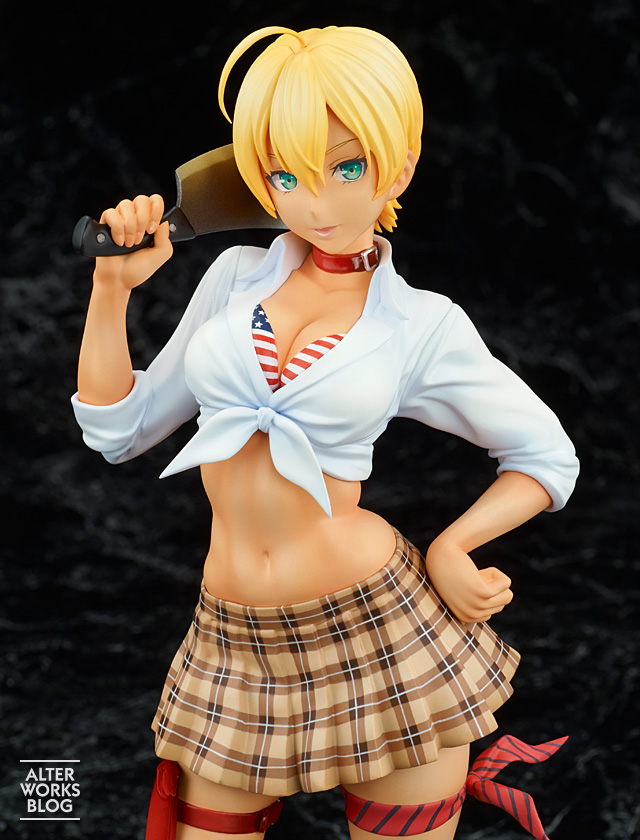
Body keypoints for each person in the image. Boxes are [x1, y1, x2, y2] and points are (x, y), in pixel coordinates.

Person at [71, 25, 579, 840]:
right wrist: (111, 291)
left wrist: (453, 547)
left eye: (346, 168)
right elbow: (118, 430)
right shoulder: (234, 279)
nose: (315, 203)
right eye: (285, 174)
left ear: (397, 168)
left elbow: (546, 454)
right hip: (234, 635)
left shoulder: (421, 324)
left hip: (377, 627)